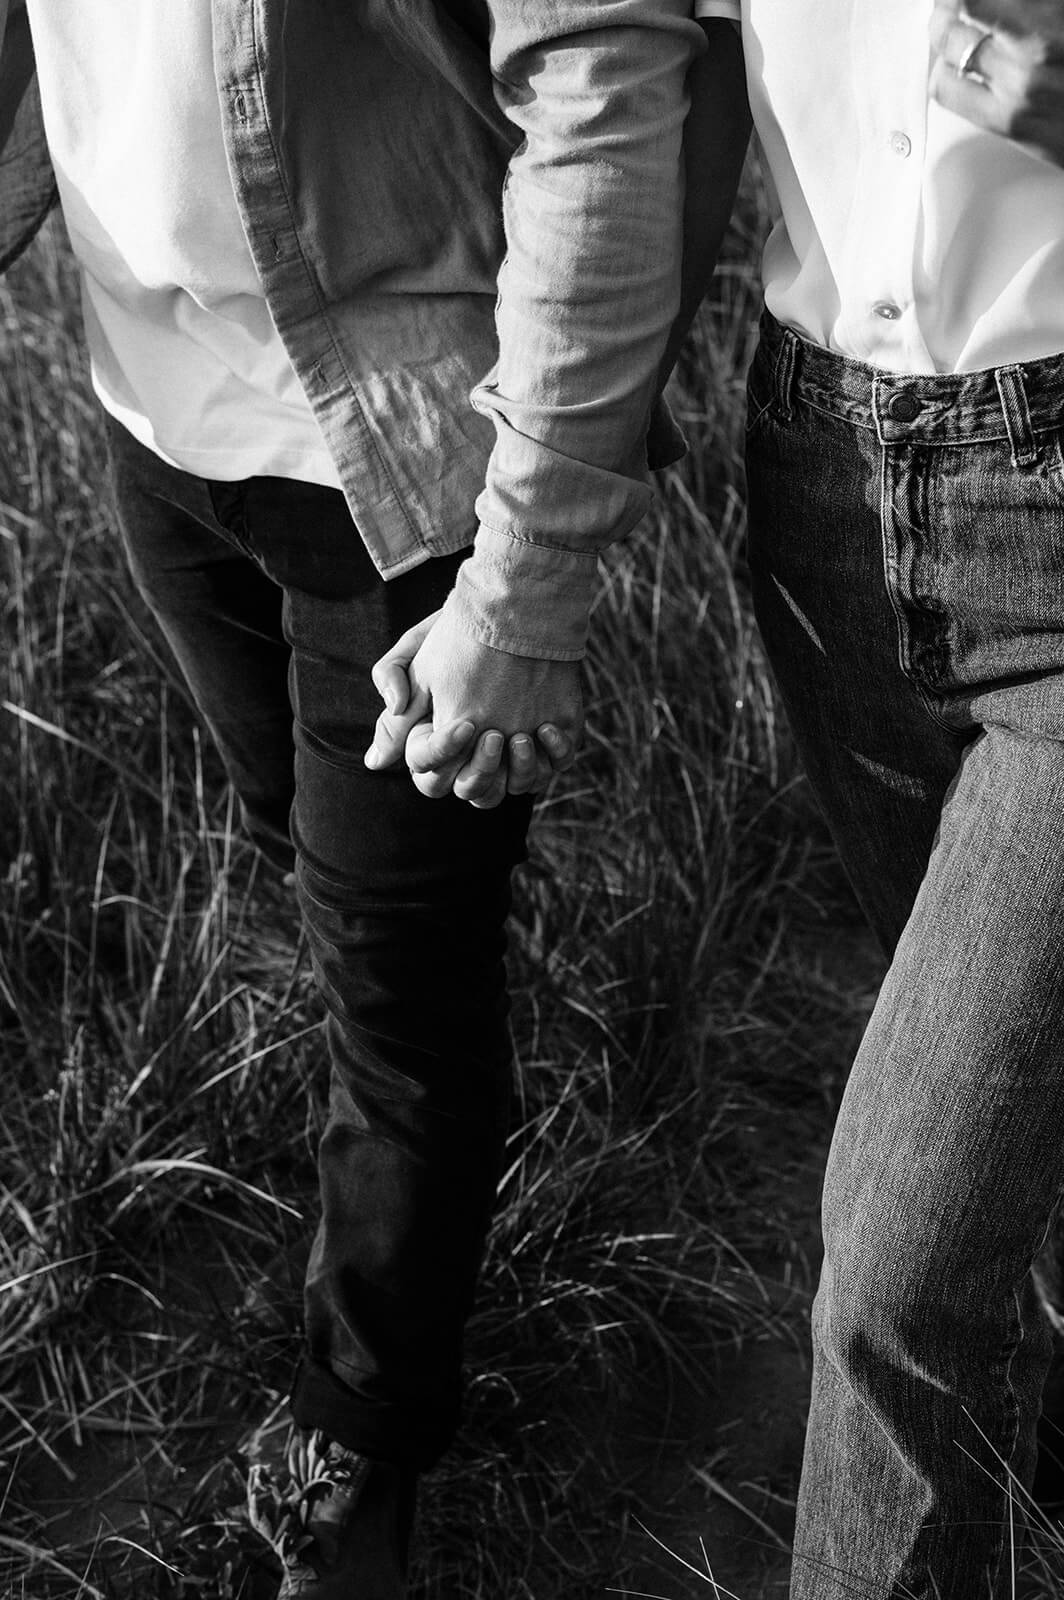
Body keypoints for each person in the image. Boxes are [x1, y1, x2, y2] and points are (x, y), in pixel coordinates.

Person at [0, 3, 749, 1597]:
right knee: (332, 892)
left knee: (401, 989)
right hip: (154, 411)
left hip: (395, 449)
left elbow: (610, 82)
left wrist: (527, 584)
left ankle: (364, 1430)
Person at [643, 1, 1064, 1595]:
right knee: (1005, 1087)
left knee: (896, 1265)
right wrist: (592, 407)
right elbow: (681, 68)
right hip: (819, 479)